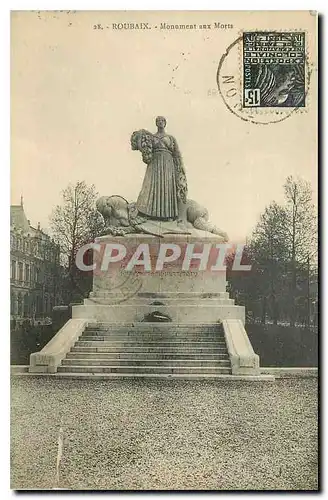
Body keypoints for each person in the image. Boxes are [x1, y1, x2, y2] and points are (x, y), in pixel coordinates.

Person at [131, 116, 187, 221]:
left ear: (165, 123)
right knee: (152, 186)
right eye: (158, 121)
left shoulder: (171, 138)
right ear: (156, 123)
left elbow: (177, 154)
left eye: (162, 121)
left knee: (167, 187)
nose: (160, 122)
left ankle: (168, 215)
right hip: (154, 164)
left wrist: (179, 168)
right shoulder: (151, 137)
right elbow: (144, 149)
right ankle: (149, 213)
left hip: (168, 164)